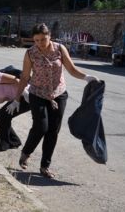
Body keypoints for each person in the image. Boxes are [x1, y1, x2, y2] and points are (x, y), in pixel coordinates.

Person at [16, 23, 99, 179]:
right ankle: (26, 152)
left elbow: (71, 69)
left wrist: (87, 77)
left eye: (43, 39)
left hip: (58, 94)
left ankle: (44, 166)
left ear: (50, 36)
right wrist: (16, 98)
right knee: (41, 126)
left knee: (53, 130)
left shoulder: (60, 49)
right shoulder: (30, 53)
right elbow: (25, 77)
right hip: (37, 94)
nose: (40, 43)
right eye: (37, 40)